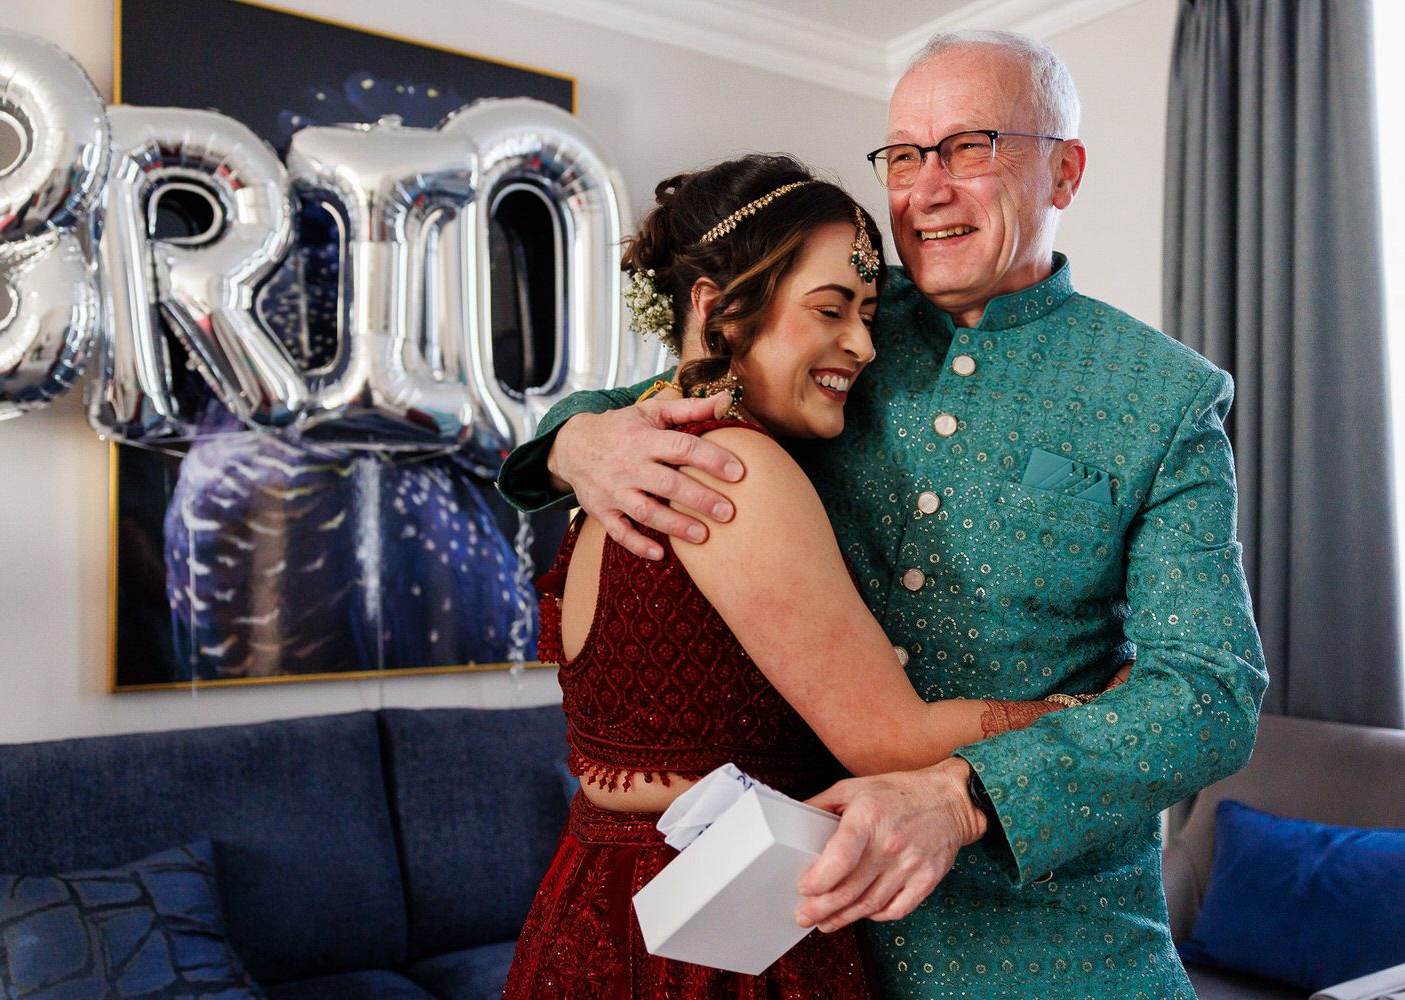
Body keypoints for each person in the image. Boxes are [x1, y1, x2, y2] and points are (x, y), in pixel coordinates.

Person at [498, 30, 1266, 1000]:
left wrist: (967, 791)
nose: (926, 188)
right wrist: (577, 438)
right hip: (809, 933)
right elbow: (679, 390)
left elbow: (1211, 693)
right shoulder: (832, 335)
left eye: (969, 146)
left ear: (1064, 171)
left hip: (1057, 947)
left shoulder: (1163, 394)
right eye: (904, 154)